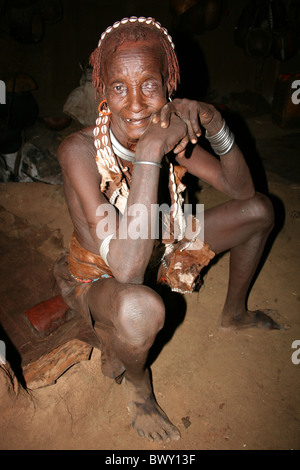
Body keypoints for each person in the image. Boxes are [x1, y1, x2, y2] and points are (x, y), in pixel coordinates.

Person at [55, 16, 280, 443]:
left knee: (259, 211)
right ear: (102, 90)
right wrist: (152, 153)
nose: (136, 103)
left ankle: (234, 314)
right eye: (119, 86)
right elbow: (125, 269)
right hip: (104, 275)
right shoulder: (79, 152)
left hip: (164, 239)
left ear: (167, 87)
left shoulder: (165, 129)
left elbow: (242, 190)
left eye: (150, 85)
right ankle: (139, 387)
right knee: (141, 309)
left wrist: (214, 122)